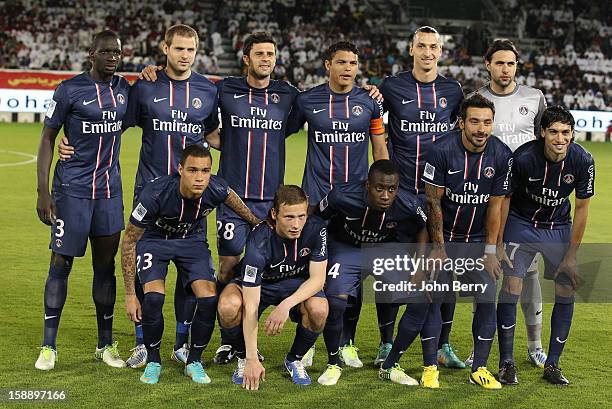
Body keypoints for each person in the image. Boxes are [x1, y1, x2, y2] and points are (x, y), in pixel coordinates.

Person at [59, 24, 220, 369]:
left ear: (196, 52)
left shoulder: (208, 90)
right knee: (144, 269)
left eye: (190, 50)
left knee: (189, 272)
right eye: (178, 48)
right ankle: (143, 345)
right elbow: (112, 122)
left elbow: (214, 134)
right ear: (165, 48)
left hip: (191, 198)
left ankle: (179, 341)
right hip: (148, 194)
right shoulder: (145, 86)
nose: (184, 55)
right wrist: (70, 142)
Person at [120, 144, 261, 384]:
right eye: (193, 170)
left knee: (207, 299)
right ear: (180, 169)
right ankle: (153, 361)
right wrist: (130, 294)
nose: (199, 177)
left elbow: (233, 200)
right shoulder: (155, 194)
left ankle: (193, 361)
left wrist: (256, 222)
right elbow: (130, 241)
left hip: (191, 241)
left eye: (205, 171)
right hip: (156, 241)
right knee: (153, 298)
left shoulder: (215, 187)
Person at [35, 30, 129, 371]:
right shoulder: (69, 90)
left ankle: (105, 345)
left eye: (117, 52)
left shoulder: (124, 92)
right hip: (72, 193)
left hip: (108, 194)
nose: (112, 57)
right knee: (60, 265)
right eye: (105, 51)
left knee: (105, 269)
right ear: (91, 53)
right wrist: (43, 191)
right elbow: (48, 138)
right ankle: (48, 346)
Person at [377, 25, 465, 368]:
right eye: (422, 46)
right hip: (401, 195)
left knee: (444, 272)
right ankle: (386, 342)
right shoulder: (392, 86)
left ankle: (443, 345)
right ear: (411, 50)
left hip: (439, 199)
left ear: (441, 51)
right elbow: (374, 119)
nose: (428, 52)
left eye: (433, 47)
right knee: (392, 269)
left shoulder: (452, 91)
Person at [496, 106, 594, 385]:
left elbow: (583, 208)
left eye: (565, 132)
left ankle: (552, 364)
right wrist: (501, 241)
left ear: (572, 135)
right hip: (522, 223)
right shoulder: (524, 158)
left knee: (566, 286)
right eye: (553, 132)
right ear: (542, 133)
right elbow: (504, 200)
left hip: (558, 227)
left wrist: (571, 256)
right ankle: (506, 363)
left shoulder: (582, 160)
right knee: (512, 285)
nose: (560, 138)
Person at [466, 39, 548, 369]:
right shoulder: (477, 100)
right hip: (486, 200)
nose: (505, 69)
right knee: (484, 275)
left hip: (524, 203)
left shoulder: (534, 98)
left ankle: (535, 344)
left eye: (511, 64)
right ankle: (480, 346)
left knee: (528, 274)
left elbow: (544, 142)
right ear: (487, 64)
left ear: (517, 66)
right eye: (499, 63)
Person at [422, 94, 512, 389]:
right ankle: (430, 368)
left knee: (487, 298)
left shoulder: (501, 155)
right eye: (474, 121)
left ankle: (480, 368)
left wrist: (490, 249)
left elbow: (496, 205)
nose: (481, 129)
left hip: (476, 242)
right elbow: (433, 204)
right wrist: (438, 248)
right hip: (446, 239)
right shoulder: (440, 151)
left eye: (487, 122)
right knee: (435, 301)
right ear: (461, 122)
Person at [312, 160, 430, 386]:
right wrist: (320, 257)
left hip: (384, 250)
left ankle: (390, 365)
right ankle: (333, 363)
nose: (386, 195)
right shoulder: (341, 195)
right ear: (367, 185)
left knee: (421, 298)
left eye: (391, 189)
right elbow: (318, 216)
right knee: (336, 302)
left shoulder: (408, 203)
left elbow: (424, 225)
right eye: (379, 188)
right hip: (346, 248)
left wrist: (421, 265)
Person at [216, 185, 329, 388]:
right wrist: (252, 357)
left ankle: (294, 359)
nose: (296, 224)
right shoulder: (258, 241)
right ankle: (243, 358)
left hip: (295, 286)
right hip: (260, 286)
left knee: (319, 309)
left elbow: (318, 279)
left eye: (301, 216)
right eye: (289, 217)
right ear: (275, 214)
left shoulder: (316, 228)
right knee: (228, 306)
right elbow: (251, 305)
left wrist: (286, 305)